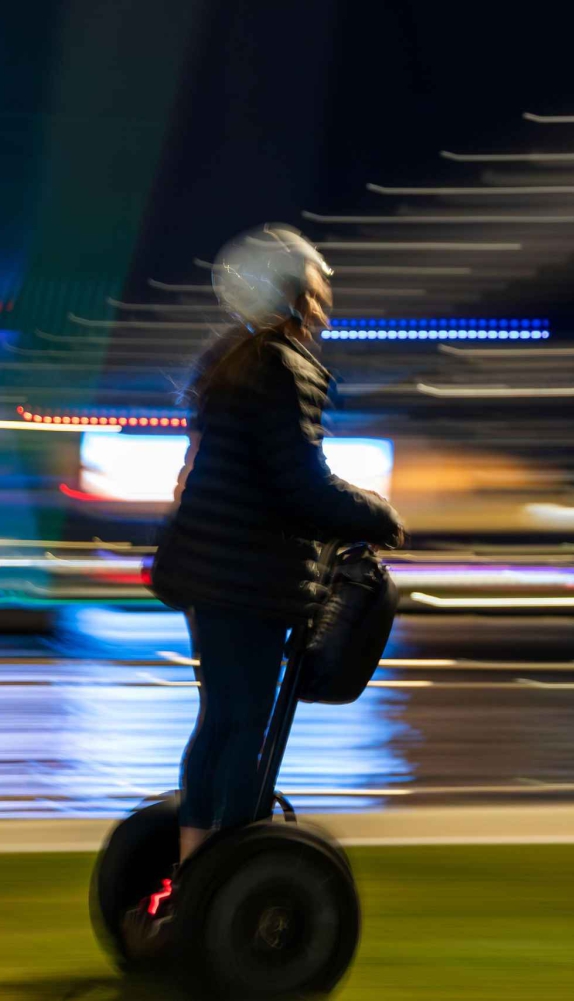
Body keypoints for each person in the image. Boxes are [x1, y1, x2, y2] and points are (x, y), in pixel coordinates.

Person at [131, 226, 403, 939]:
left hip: (208, 570)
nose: (328, 299)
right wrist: (379, 515)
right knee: (244, 723)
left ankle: (192, 876)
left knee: (221, 720)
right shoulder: (286, 367)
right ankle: (218, 891)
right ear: (299, 293)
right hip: (250, 577)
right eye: (321, 286)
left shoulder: (233, 361)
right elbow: (298, 484)